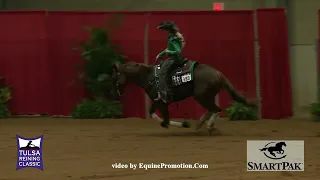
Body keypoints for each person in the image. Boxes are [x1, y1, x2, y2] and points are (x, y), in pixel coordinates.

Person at [154, 21, 186, 102]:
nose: (163, 31)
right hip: (172, 58)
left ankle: (164, 94)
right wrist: (160, 54)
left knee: (161, 73)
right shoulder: (171, 37)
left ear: (168, 30)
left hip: (174, 59)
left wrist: (169, 52)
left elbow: (178, 51)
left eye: (164, 30)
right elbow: (168, 49)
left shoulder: (173, 39)